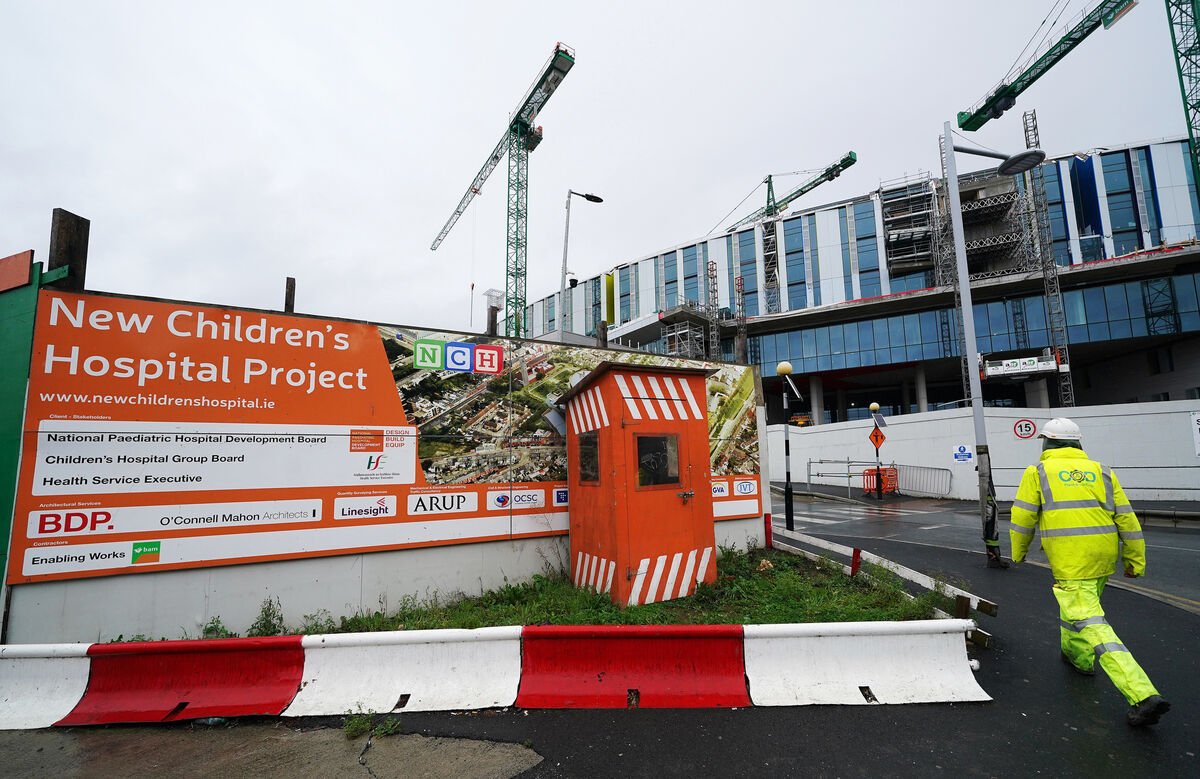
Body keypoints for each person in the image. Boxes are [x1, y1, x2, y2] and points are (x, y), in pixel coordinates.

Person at [1009, 417, 1169, 727]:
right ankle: (1078, 658)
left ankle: (1143, 694)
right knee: (1079, 611)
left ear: (1047, 442)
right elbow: (1127, 520)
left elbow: (1023, 517)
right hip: (1102, 557)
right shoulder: (1103, 472)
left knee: (1092, 622)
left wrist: (1018, 553)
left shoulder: (1037, 472)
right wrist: (1134, 560)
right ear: (1077, 443)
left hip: (1072, 560)